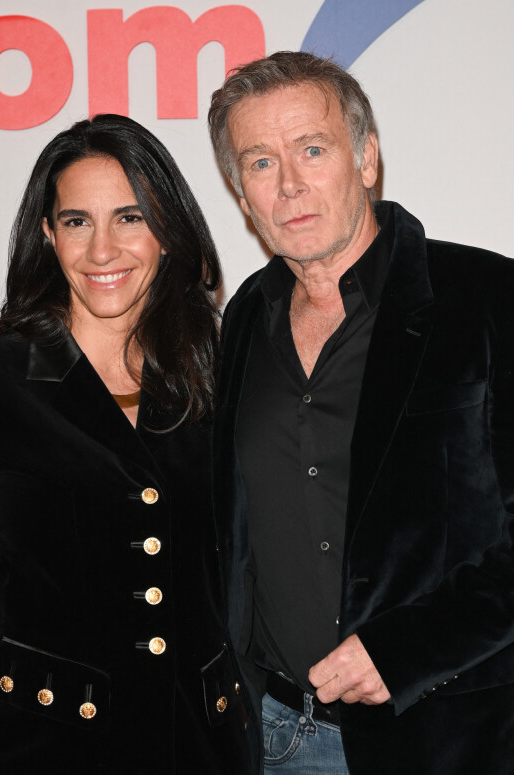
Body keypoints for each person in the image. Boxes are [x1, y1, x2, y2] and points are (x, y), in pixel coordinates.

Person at [208, 50, 514, 775]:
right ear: (239, 190)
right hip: (274, 731)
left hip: (447, 735)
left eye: (312, 150)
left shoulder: (486, 298)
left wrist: (408, 650)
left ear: (366, 157)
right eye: (259, 162)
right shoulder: (244, 318)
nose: (289, 185)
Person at [0, 114, 251, 775]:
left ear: (167, 234)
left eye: (130, 217)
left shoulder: (217, 376)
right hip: (45, 749)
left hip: (201, 747)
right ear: (48, 236)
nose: (103, 249)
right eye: (77, 221)